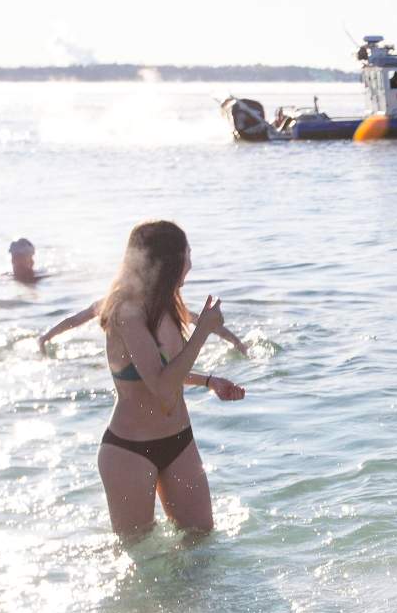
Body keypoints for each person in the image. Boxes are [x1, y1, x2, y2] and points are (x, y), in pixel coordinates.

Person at [95, 220, 247, 540]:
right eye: (186, 254)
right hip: (129, 450)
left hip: (179, 442)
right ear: (166, 261)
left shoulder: (167, 305)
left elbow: (165, 372)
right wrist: (203, 330)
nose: (190, 263)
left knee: (202, 541)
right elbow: (161, 387)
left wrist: (208, 381)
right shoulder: (127, 312)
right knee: (140, 556)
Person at [39, 298, 248, 356]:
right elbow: (76, 319)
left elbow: (201, 322)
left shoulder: (163, 304)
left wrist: (237, 342)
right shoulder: (111, 301)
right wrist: (47, 336)